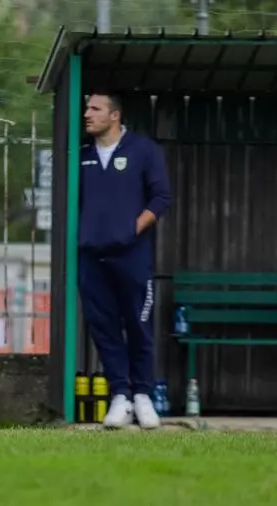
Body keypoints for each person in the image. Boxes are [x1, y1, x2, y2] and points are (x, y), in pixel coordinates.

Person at [77, 92, 172, 429]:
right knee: (103, 328)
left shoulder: (144, 150)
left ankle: (143, 395)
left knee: (138, 324)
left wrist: (131, 229)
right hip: (90, 257)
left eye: (94, 109)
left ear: (114, 115)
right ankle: (120, 395)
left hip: (132, 256)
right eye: (86, 108)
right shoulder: (81, 156)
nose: (86, 114)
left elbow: (161, 197)